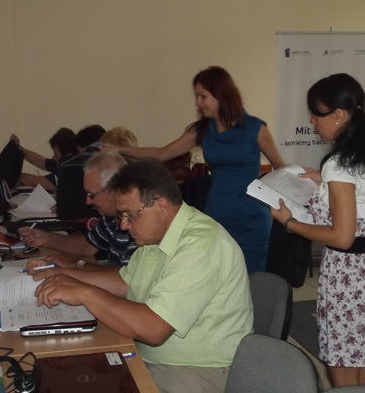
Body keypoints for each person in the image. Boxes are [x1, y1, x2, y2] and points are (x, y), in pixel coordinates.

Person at [27, 160, 253, 393]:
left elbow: (153, 329)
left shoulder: (201, 244)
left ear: (161, 205)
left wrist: (84, 293)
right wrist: (64, 275)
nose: (124, 226)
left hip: (202, 371)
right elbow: (125, 282)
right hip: (155, 359)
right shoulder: (157, 236)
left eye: (130, 215)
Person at [270, 73, 365, 387]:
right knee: (357, 359)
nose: (312, 121)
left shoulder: (339, 164)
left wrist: (289, 222)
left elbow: (342, 236)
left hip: (349, 276)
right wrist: (323, 182)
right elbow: (361, 193)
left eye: (317, 113)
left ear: (339, 115)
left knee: (341, 367)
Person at [104, 66, 285, 273]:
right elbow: (163, 153)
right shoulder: (202, 130)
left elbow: (280, 168)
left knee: (254, 279)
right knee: (216, 274)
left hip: (251, 218)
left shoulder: (255, 128)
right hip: (217, 214)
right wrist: (120, 149)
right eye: (197, 97)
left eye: (203, 96)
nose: (198, 102)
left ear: (221, 94)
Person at [19, 151, 137, 270]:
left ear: (115, 189)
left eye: (92, 195)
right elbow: (86, 246)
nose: (88, 201)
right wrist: (46, 239)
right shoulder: (111, 217)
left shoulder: (135, 225)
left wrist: (73, 266)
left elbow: (126, 277)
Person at [11, 127, 77, 190]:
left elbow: (35, 182)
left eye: (56, 154)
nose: (53, 157)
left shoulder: (71, 172)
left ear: (68, 156)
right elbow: (41, 161)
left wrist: (13, 174)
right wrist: (18, 148)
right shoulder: (66, 163)